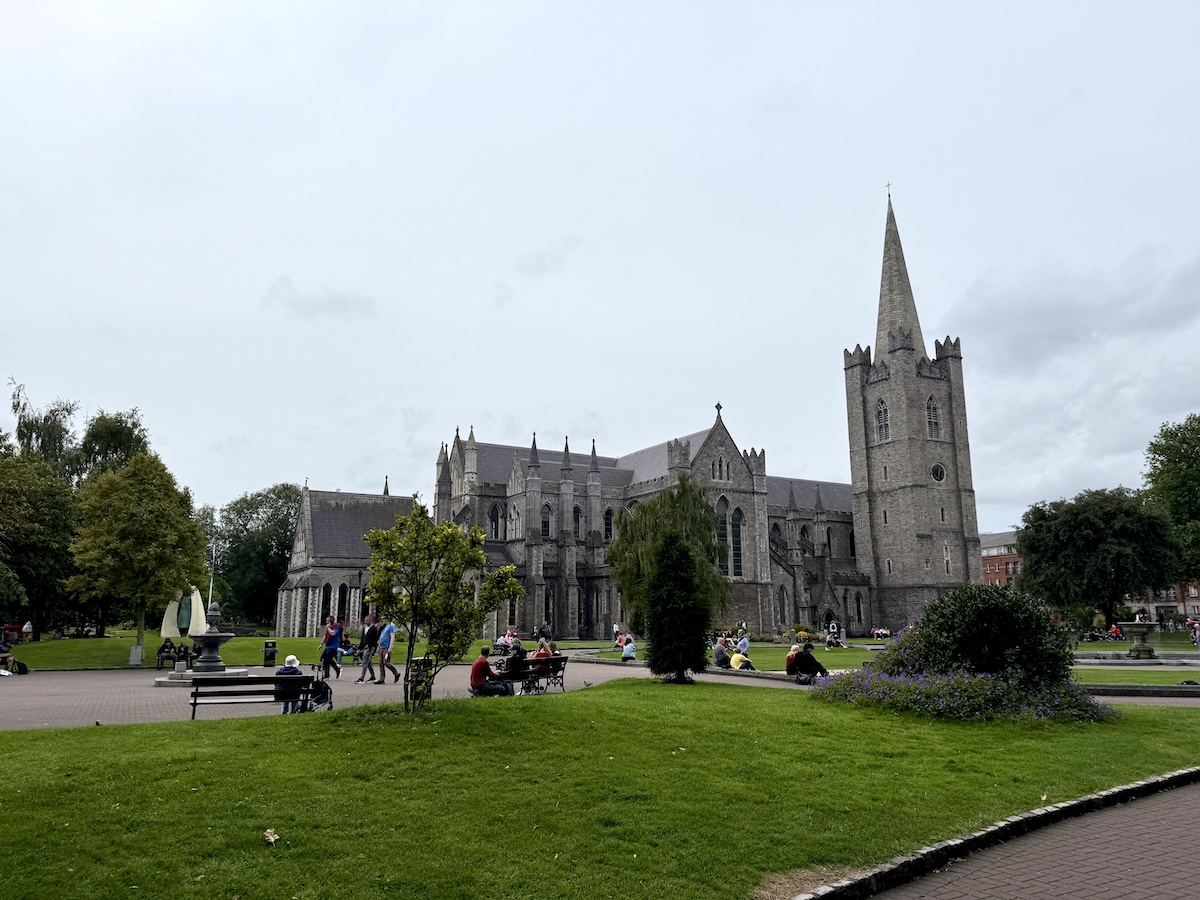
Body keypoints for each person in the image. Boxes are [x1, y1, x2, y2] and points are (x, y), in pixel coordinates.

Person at [355, 615, 380, 684]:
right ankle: (373, 676)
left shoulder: (374, 629)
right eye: (365, 620)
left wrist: (369, 645)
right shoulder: (364, 628)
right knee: (369, 662)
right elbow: (362, 638)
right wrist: (359, 648)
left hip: (370, 647)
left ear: (370, 621)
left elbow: (375, 639)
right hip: (364, 647)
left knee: (365, 662)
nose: (365, 622)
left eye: (367, 620)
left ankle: (362, 677)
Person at [376, 614, 400, 684]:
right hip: (382, 646)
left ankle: (395, 672)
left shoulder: (391, 626)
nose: (383, 620)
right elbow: (381, 636)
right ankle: (382, 678)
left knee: (386, 662)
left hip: (387, 647)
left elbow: (392, 637)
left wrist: (390, 647)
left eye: (384, 619)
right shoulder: (384, 626)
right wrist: (379, 646)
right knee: (381, 663)